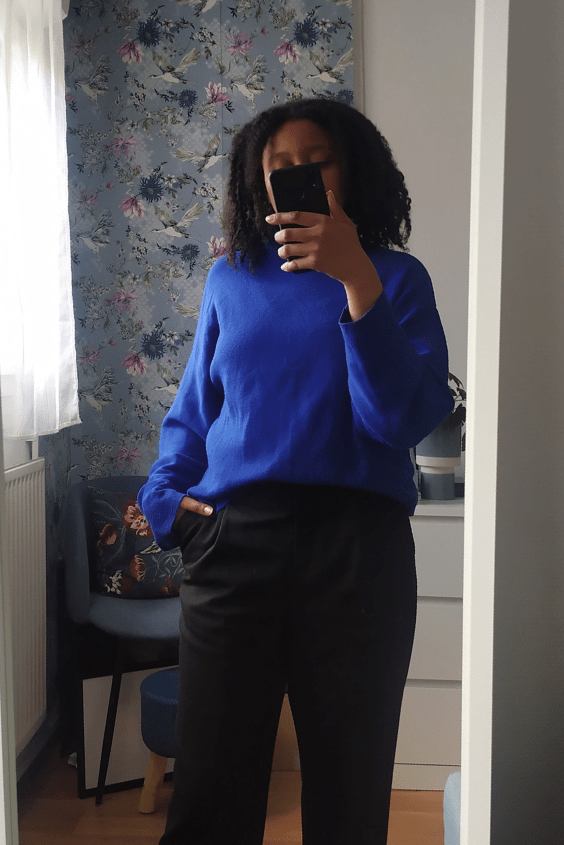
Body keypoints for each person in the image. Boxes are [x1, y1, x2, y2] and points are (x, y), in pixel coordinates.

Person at [138, 97, 454, 845]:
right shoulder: (231, 280)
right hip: (234, 543)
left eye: (318, 161)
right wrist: (163, 498)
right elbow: (196, 409)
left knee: (350, 788)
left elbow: (398, 422)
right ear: (258, 182)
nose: (298, 175)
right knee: (209, 793)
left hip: (359, 551)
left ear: (353, 171)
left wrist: (357, 282)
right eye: (280, 166)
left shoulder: (397, 279)